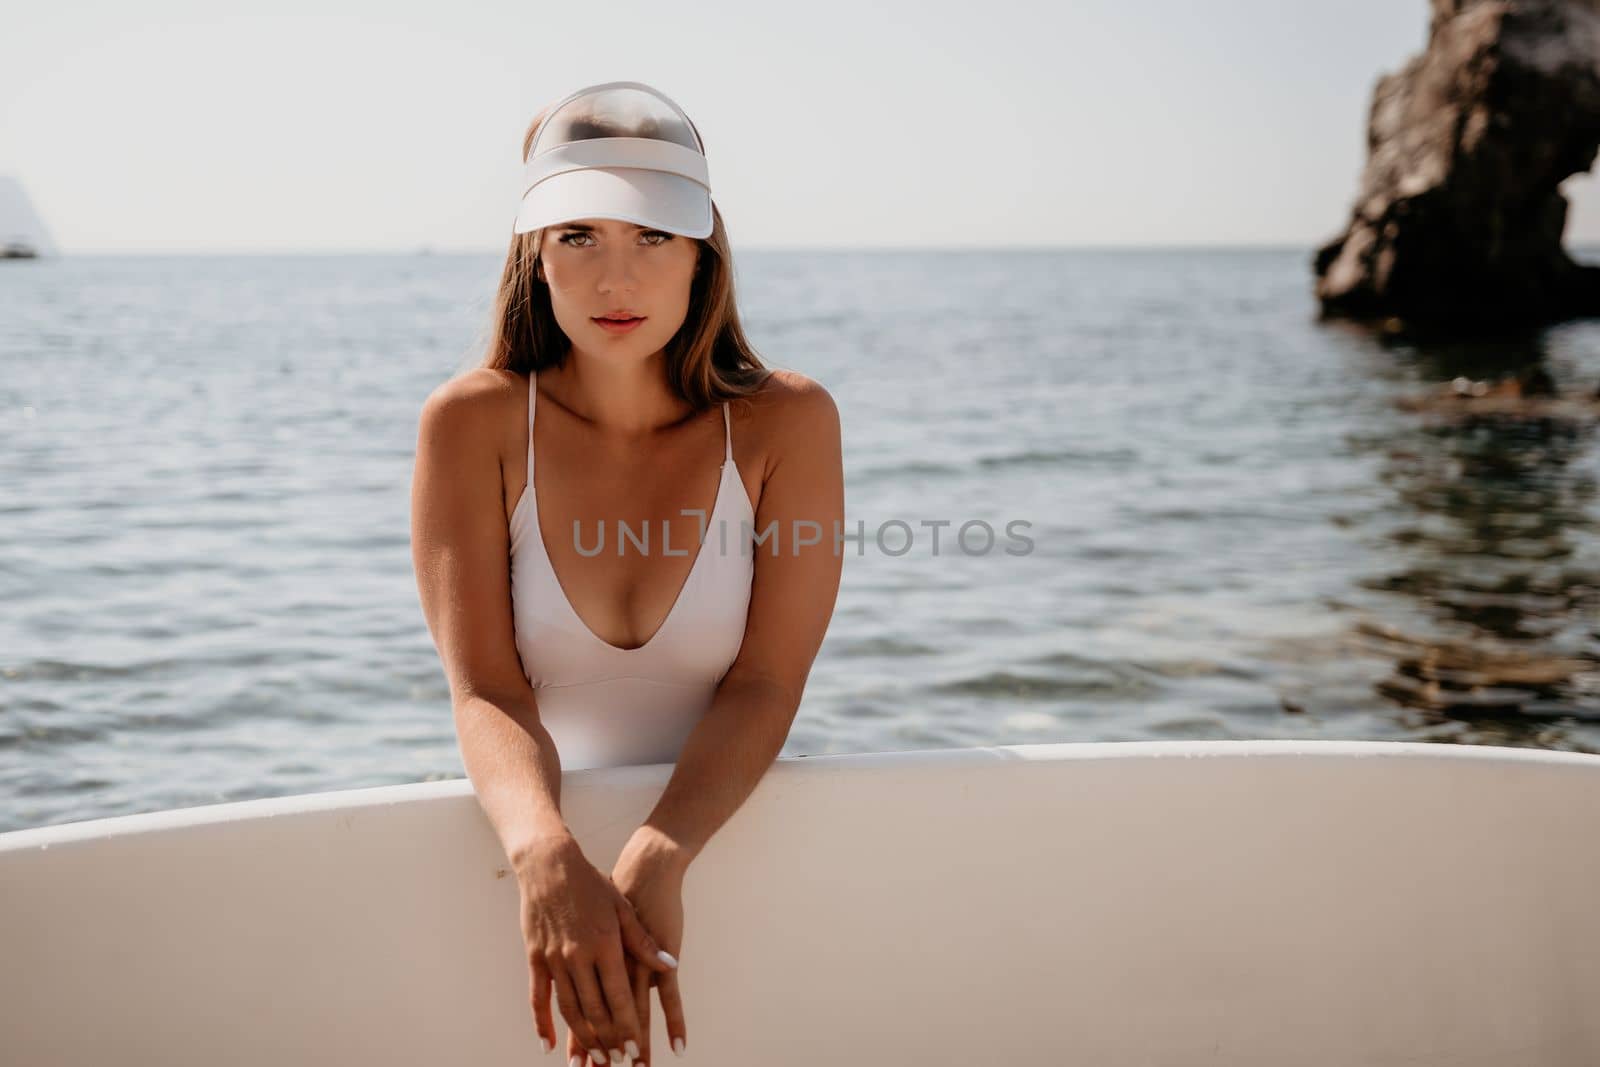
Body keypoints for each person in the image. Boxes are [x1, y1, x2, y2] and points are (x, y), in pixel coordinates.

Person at [410, 81, 844, 1067]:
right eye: (579, 237)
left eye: (653, 237)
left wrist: (659, 849)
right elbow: (483, 686)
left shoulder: (786, 422)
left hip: (736, 834)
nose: (617, 279)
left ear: (703, 253)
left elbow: (768, 680)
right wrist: (543, 852)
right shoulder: (472, 422)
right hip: (535, 847)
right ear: (533, 253)